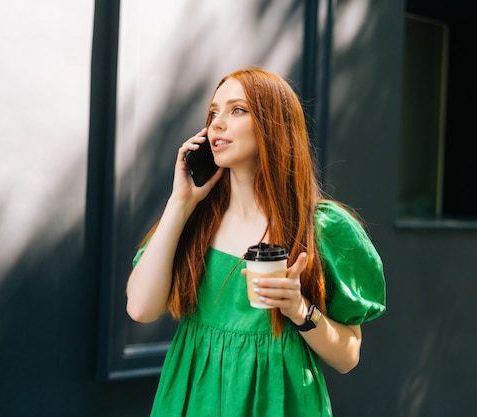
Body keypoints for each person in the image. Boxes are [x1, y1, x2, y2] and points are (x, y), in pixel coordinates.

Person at [126, 68, 386, 417]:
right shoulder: (195, 217)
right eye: (213, 113)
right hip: (194, 400)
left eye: (237, 110)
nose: (217, 124)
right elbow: (141, 309)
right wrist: (180, 202)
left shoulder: (323, 228)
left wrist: (298, 309)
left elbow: (348, 357)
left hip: (278, 403)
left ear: (273, 125)